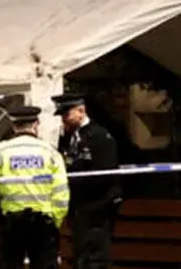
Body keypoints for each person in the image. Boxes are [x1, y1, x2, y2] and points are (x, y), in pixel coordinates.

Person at [0, 106, 69, 269]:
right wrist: (55, 221)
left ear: (13, 126)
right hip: (43, 223)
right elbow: (61, 193)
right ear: (36, 125)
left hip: (10, 224)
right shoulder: (50, 152)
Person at [52, 93, 122, 269]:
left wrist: (76, 185)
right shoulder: (71, 137)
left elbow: (104, 174)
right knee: (81, 254)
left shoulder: (99, 136)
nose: (63, 120)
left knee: (95, 256)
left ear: (81, 111)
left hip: (98, 206)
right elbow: (66, 163)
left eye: (66, 115)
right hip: (80, 207)